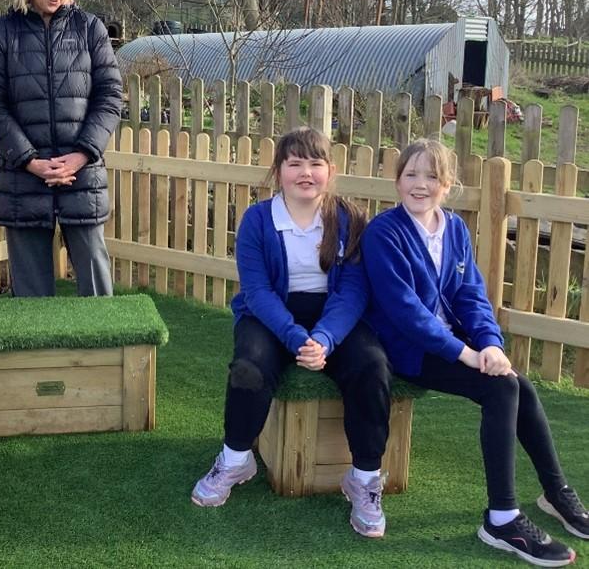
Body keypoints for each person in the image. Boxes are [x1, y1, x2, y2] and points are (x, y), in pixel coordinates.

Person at [362, 138, 587, 567]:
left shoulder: (455, 229)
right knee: (502, 390)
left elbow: (471, 296)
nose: (420, 184)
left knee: (517, 382)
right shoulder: (383, 233)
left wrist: (489, 344)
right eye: (411, 174)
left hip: (456, 341)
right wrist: (465, 355)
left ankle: (555, 494)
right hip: (408, 349)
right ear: (397, 181)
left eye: (431, 175)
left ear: (447, 184)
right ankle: (502, 518)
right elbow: (406, 312)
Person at [191, 127, 393, 538]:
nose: (306, 172)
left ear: (330, 170)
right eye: (295, 163)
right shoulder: (257, 220)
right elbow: (257, 290)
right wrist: (296, 337)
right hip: (269, 314)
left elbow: (354, 289)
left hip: (333, 316)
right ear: (278, 170)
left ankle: (365, 477)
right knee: (249, 366)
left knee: (372, 365)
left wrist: (325, 338)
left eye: (315, 164)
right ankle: (235, 459)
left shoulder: (349, 218)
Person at [0, 0, 122, 297]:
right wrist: (29, 161)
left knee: (97, 287)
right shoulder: (2, 33)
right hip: (22, 178)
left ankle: (104, 352)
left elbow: (110, 95)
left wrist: (82, 154)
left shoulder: (90, 30)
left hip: (81, 176)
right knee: (31, 296)